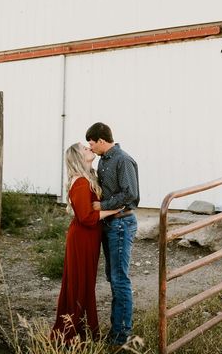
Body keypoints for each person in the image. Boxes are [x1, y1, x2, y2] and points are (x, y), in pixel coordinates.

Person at [51, 143, 122, 343]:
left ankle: (80, 328)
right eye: (85, 149)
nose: (89, 149)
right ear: (78, 157)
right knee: (80, 283)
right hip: (82, 237)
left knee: (84, 282)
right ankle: (74, 332)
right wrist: (116, 210)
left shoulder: (87, 178)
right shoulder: (81, 182)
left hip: (88, 237)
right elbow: (87, 217)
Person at [86, 122, 140, 347]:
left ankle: (121, 335)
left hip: (121, 223)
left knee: (120, 279)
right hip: (110, 224)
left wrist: (102, 205)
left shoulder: (122, 160)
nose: (90, 147)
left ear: (101, 140)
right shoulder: (103, 161)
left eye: (91, 142)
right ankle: (116, 328)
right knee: (113, 277)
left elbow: (130, 194)